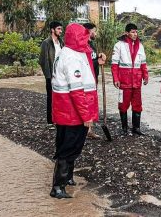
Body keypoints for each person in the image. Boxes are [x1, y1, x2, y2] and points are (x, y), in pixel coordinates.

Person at [50, 23, 98, 199]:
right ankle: (58, 187)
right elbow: (77, 91)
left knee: (68, 145)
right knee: (69, 147)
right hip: (72, 113)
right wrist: (87, 116)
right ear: (78, 38)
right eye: (84, 36)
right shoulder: (72, 58)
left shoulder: (69, 53)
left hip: (66, 111)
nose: (87, 39)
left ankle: (67, 178)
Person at [111, 23, 149, 135]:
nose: (135, 34)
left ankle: (136, 129)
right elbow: (114, 64)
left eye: (136, 32)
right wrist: (116, 79)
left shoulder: (140, 46)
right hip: (124, 81)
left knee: (137, 105)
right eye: (132, 32)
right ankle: (124, 129)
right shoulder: (119, 45)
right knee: (123, 105)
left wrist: (145, 76)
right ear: (127, 33)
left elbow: (143, 63)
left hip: (137, 82)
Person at [83, 22, 107, 139]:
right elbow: (86, 64)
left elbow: (92, 59)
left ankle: (89, 130)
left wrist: (98, 56)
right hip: (86, 81)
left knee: (91, 104)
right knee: (87, 104)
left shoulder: (91, 44)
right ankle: (85, 130)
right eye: (94, 31)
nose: (96, 33)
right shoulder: (82, 45)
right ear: (89, 31)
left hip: (93, 79)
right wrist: (98, 61)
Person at [39, 21, 63, 125]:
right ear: (52, 30)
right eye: (58, 29)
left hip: (61, 76)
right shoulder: (46, 42)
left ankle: (59, 119)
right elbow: (42, 60)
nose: (60, 31)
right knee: (51, 98)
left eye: (61, 29)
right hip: (51, 76)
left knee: (60, 98)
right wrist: (48, 76)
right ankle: (50, 121)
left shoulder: (62, 42)